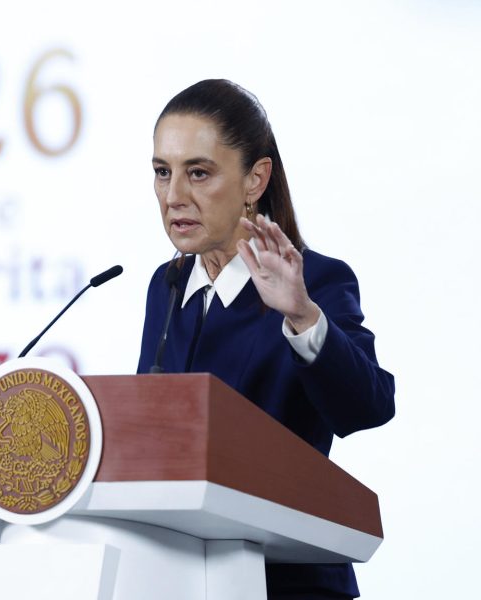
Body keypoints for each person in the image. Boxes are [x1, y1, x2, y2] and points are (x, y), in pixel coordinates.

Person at [137, 79, 395, 599]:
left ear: (255, 179)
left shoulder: (316, 281)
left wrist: (301, 315)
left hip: (289, 582)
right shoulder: (164, 289)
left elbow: (368, 405)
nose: (173, 196)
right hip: (183, 582)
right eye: (162, 172)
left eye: (198, 173)